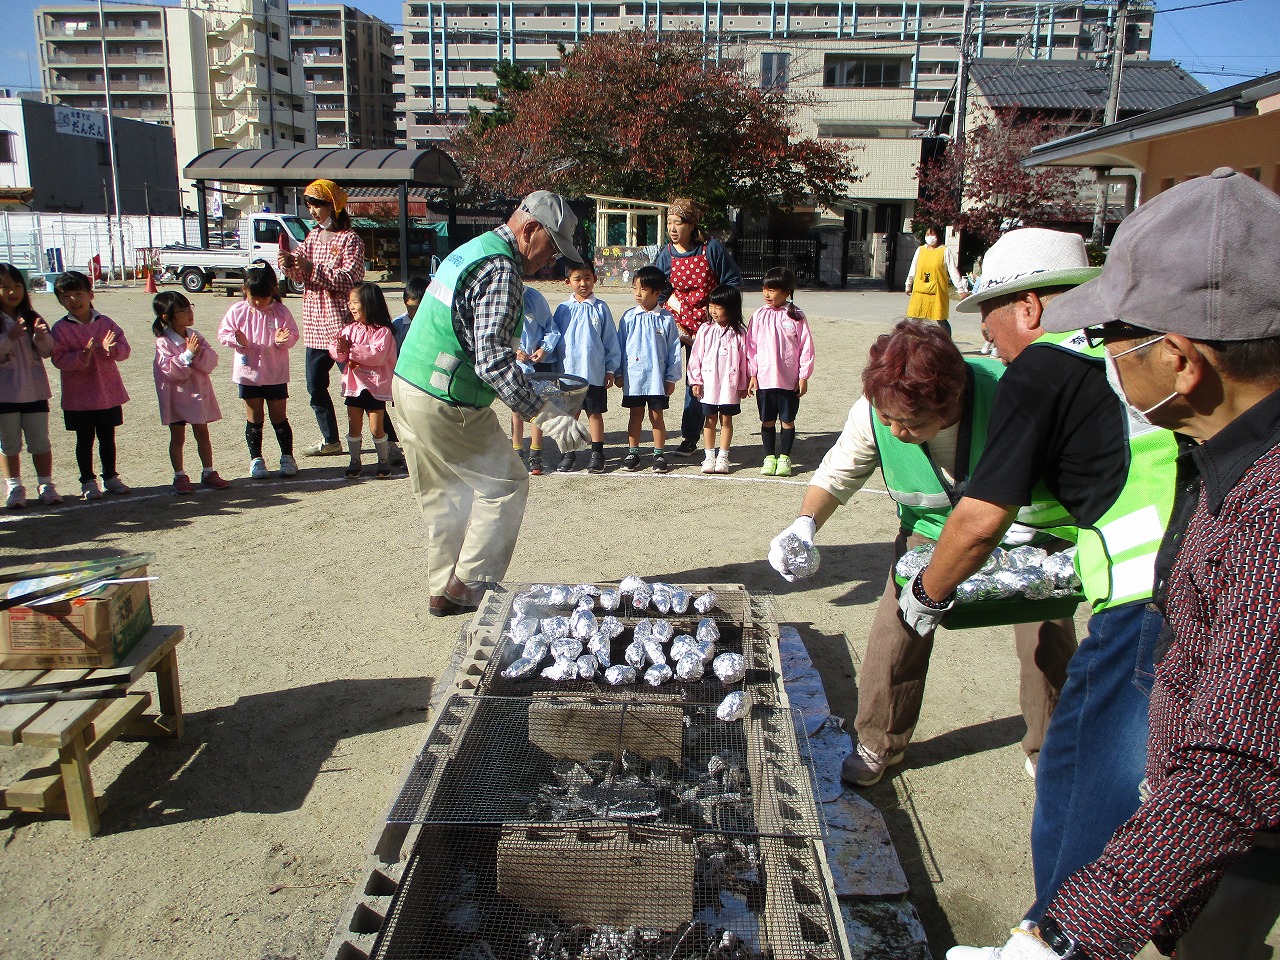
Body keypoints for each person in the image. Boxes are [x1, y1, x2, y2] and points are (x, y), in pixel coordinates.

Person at [947, 169, 1280, 960]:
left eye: (1110, 340)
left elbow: (1231, 765)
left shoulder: (1269, 512)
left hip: (1243, 834)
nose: (1100, 358)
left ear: (1182, 361)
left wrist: (1063, 938)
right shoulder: (1225, 457)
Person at [895, 228, 1181, 921]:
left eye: (989, 321)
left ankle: (1052, 932)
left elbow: (978, 520)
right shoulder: (1143, 345)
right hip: (1215, 573)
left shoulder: (1044, 364)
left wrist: (925, 592)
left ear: (1029, 307)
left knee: (1079, 773)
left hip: (1146, 601)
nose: (988, 344)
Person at [769, 319, 1078, 784]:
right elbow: (838, 472)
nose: (894, 432)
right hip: (933, 533)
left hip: (1028, 533)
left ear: (950, 401)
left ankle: (1049, 748)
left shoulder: (1011, 393)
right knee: (898, 626)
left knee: (1046, 636)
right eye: (887, 417)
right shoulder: (877, 410)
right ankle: (880, 743)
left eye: (909, 423)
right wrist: (804, 524)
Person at [391, 191, 590, 617]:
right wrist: (546, 414)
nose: (553, 261)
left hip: (409, 385)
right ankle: (469, 587)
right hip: (448, 397)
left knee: (446, 496)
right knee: (507, 484)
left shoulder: (474, 248)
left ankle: (443, 590)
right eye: (552, 247)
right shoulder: (503, 270)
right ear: (530, 229)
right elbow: (494, 362)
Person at [279, 179, 365, 457]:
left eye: (317, 204)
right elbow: (301, 272)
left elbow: (351, 278)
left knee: (360, 387)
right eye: (309, 204)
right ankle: (331, 439)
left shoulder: (350, 239)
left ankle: (385, 437)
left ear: (334, 205)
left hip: (342, 327)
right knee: (315, 387)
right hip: (315, 327)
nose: (312, 210)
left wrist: (311, 268)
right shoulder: (313, 236)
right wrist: (288, 264)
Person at [653, 198, 742, 455]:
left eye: (678, 222)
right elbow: (658, 285)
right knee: (660, 373)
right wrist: (668, 302)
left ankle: (690, 437)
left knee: (697, 381)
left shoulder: (710, 249)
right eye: (669, 222)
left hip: (705, 328)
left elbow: (732, 279)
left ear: (691, 225)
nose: (672, 227)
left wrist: (718, 308)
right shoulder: (667, 253)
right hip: (675, 323)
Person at [49, 270, 132, 500]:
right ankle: (87, 480)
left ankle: (111, 477)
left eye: (78, 294)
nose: (73, 300)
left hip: (107, 393)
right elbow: (57, 359)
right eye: (65, 296)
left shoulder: (105, 323)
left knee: (108, 436)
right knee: (84, 439)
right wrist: (81, 356)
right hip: (79, 396)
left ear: (90, 294)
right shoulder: (60, 329)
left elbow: (125, 350)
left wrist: (112, 349)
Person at [217, 263, 301, 480]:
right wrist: (236, 340)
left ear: (273, 291)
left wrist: (283, 341)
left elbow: (293, 334)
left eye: (263, 297)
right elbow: (223, 334)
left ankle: (287, 457)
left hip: (275, 373)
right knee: (254, 417)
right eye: (254, 296)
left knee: (279, 416)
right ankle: (256, 459)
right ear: (245, 290)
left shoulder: (280, 311)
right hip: (248, 372)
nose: (258, 302)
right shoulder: (238, 310)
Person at [151, 292, 230, 493]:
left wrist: (198, 353)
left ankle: (208, 471)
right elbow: (169, 370)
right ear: (166, 317)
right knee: (178, 436)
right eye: (182, 309)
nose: (189, 312)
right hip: (176, 397)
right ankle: (179, 475)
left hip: (197, 395)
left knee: (202, 433)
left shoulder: (195, 336)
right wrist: (188, 354)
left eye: (189, 307)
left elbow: (211, 360)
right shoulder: (163, 342)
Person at [0, 263, 60, 508]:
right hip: (5, 395)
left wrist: (40, 336)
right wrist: (10, 337)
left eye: (17, 286)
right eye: (4, 287)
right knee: (9, 443)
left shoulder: (32, 317)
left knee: (40, 441)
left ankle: (45, 484)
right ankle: (14, 487)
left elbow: (48, 351)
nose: (12, 292)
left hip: (35, 393)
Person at [552, 259, 620, 474]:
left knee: (594, 413)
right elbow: (554, 340)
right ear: (567, 282)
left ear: (595, 279)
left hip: (594, 373)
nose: (583, 283)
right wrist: (555, 372)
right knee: (570, 416)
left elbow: (610, 341)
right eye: (577, 279)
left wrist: (610, 369)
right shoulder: (563, 309)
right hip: (569, 375)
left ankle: (597, 453)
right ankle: (569, 453)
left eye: (587, 278)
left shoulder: (600, 308)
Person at [746, 267, 815, 478]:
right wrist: (753, 374)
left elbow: (806, 347)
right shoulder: (758, 316)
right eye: (765, 289)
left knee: (787, 420)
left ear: (786, 291)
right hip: (765, 380)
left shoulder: (796, 315)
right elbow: (751, 347)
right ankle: (769, 457)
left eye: (773, 290)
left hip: (788, 379)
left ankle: (785, 456)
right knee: (767, 420)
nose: (767, 294)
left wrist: (803, 375)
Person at [615, 264, 682, 473]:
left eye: (643, 289)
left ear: (656, 292)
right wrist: (618, 372)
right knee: (635, 415)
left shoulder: (666, 319)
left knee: (656, 416)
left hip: (656, 378)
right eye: (635, 288)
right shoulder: (628, 317)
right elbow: (619, 345)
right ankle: (633, 452)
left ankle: (659, 454)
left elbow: (674, 350)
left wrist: (671, 378)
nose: (637, 294)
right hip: (634, 378)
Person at [331, 282, 398, 479]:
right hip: (354, 386)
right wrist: (341, 348)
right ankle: (355, 460)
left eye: (355, 302)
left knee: (377, 427)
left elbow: (376, 356)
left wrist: (351, 349)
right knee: (354, 424)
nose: (350, 306)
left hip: (375, 387)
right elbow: (337, 353)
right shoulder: (349, 329)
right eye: (349, 302)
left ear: (369, 304)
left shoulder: (383, 332)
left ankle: (383, 460)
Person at [688, 284, 749, 475]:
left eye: (718, 306)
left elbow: (745, 360)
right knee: (709, 419)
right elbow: (695, 356)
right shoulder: (705, 330)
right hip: (709, 384)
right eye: (711, 305)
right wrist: (696, 380)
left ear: (731, 308)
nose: (713, 311)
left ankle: (723, 455)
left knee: (726, 419)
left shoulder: (739, 333)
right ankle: (709, 455)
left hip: (729, 385)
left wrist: (743, 384)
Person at [512, 286, 560, 477]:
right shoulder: (499, 296)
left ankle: (535, 454)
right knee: (516, 410)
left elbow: (551, 328)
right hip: (515, 364)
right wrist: (513, 351)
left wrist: (544, 349)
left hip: (538, 363)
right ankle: (516, 453)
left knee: (537, 410)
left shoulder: (534, 298)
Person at [905, 224, 968, 336]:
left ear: (938, 235)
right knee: (916, 318)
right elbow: (913, 268)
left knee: (940, 319)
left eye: (933, 234)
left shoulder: (944, 251)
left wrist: (960, 289)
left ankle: (948, 343)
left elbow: (953, 271)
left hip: (937, 291)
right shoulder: (920, 250)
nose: (930, 237)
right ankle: (911, 342)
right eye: (928, 234)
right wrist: (908, 284)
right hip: (920, 290)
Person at [391, 276, 428, 355]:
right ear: (405, 302)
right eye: (414, 308)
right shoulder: (398, 325)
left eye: (423, 308)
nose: (419, 313)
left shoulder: (433, 323)